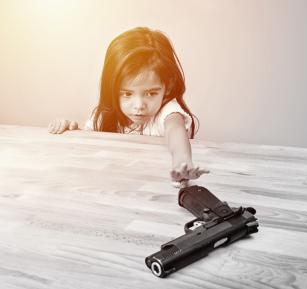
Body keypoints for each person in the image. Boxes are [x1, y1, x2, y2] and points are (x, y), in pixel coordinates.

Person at [48, 27, 209, 186]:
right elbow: (91, 149)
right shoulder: (105, 115)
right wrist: (73, 131)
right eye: (126, 94)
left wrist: (182, 161)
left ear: (168, 85)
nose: (139, 106)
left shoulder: (167, 113)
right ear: (112, 89)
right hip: (114, 186)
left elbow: (175, 131)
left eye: (151, 93)